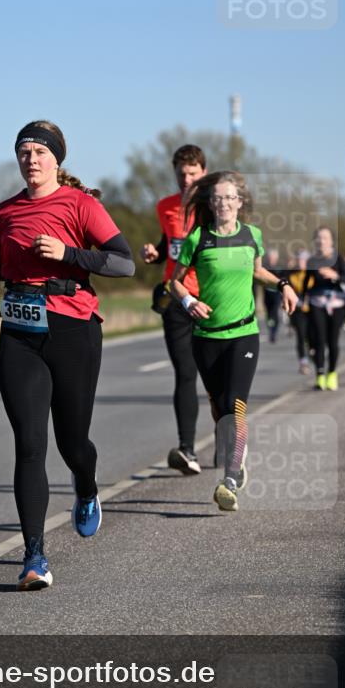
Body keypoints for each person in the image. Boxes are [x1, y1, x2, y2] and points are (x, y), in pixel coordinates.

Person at [0, 120, 134, 590]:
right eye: (24, 152)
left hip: (72, 328)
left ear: (57, 160)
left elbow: (123, 262)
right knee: (28, 444)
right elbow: (10, 270)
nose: (32, 159)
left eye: (41, 152)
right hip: (20, 331)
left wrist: (68, 253)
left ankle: (86, 485)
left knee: (72, 442)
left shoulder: (82, 205)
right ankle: (34, 556)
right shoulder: (3, 213)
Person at [170, 171, 297, 512]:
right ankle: (235, 454)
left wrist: (283, 284)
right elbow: (175, 283)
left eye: (230, 198)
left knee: (236, 403)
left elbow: (257, 271)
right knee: (219, 406)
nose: (224, 203)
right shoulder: (198, 239)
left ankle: (229, 478)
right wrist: (189, 302)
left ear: (239, 203)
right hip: (206, 337)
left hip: (244, 333)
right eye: (218, 198)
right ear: (210, 204)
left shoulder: (252, 235)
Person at [140, 144, 207, 475]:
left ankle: (230, 442)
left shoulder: (215, 206)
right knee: (185, 373)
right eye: (181, 173)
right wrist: (155, 251)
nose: (186, 179)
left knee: (218, 379)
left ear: (203, 173)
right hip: (177, 299)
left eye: (193, 173)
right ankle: (187, 449)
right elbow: (171, 243)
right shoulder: (165, 206)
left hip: (212, 301)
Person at [304, 227, 345, 390]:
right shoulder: (312, 260)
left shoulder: (338, 258)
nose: (321, 241)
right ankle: (319, 375)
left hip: (336, 304)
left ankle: (332, 373)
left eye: (325, 238)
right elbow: (306, 281)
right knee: (319, 339)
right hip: (317, 302)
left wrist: (335, 276)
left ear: (331, 241)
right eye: (318, 238)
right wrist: (302, 298)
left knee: (332, 341)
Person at [288, 250, 312, 373]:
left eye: (303, 260)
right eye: (299, 260)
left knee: (312, 336)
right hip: (299, 311)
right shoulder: (292, 275)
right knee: (301, 336)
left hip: (312, 310)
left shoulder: (313, 274)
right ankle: (303, 362)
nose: (300, 262)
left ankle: (314, 353)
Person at [261, 247, 283, 343]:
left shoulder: (280, 267)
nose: (272, 259)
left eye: (273, 257)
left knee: (274, 313)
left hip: (277, 295)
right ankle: (270, 330)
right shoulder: (265, 267)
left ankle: (274, 332)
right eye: (270, 257)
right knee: (269, 314)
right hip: (267, 294)